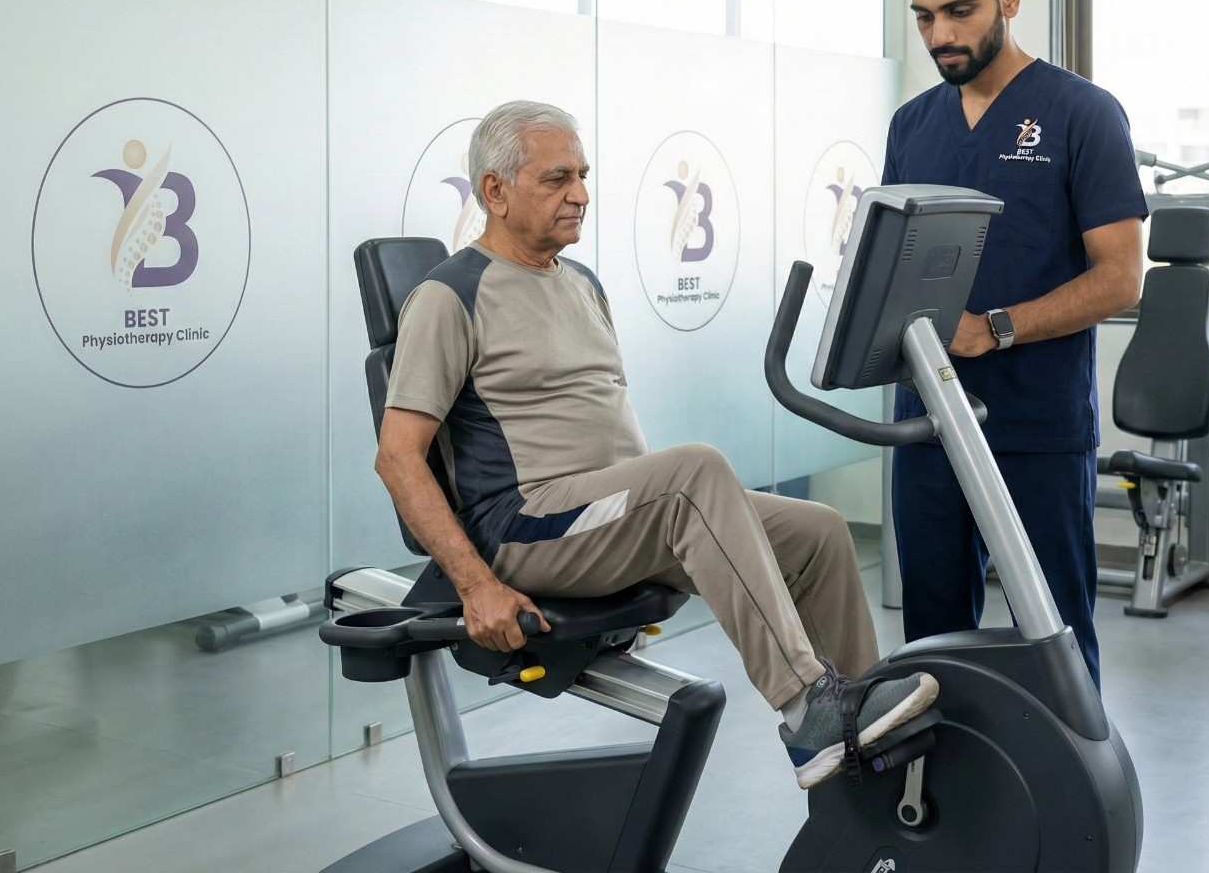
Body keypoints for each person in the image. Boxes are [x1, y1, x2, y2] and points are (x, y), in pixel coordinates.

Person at [374, 100, 938, 788]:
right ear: (494, 191)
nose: (580, 194)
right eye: (557, 179)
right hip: (528, 525)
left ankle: (861, 736)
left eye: (582, 175)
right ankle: (807, 707)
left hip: (608, 515)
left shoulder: (580, 283)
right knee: (691, 473)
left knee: (816, 533)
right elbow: (397, 456)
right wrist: (477, 585)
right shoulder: (449, 296)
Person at [884, 0, 1147, 689]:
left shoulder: (1082, 113)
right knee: (932, 638)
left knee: (1053, 631)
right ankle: (945, 765)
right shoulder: (912, 125)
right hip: (928, 421)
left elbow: (1120, 278)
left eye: (959, 11)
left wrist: (994, 329)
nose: (940, 35)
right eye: (924, 17)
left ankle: (1072, 768)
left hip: (1036, 423)